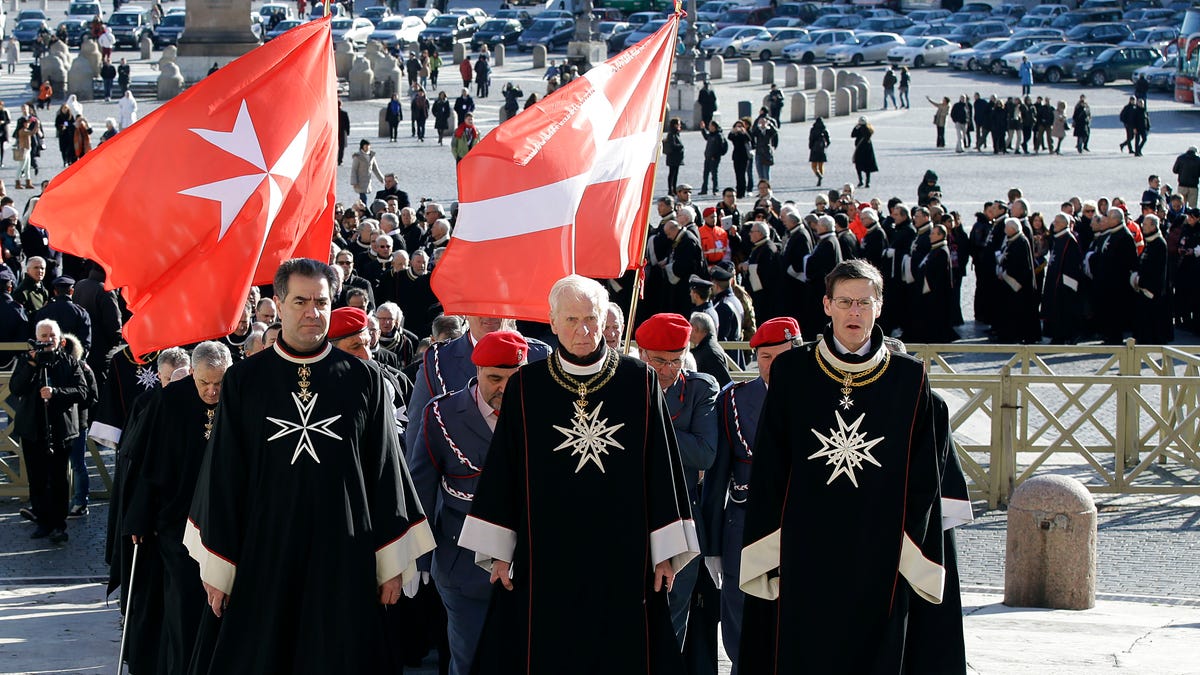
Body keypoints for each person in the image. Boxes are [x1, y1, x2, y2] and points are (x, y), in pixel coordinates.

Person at [185, 258, 435, 674]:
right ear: (278, 304)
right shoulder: (244, 381)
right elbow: (224, 474)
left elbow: (386, 470)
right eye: (300, 301)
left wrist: (391, 563)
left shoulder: (365, 379)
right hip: (265, 552)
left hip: (345, 553)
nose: (311, 312)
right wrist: (219, 564)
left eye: (321, 301)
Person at [458, 275, 698, 675]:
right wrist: (499, 550)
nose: (583, 330)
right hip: (546, 552)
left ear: (604, 319)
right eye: (571, 320)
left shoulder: (639, 381)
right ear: (552, 322)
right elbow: (505, 470)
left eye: (591, 318)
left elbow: (662, 468)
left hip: (625, 551)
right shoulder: (527, 387)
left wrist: (667, 553)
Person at [738, 259, 949, 674]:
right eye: (845, 301)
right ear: (826, 305)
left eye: (864, 303)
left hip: (881, 553)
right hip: (804, 552)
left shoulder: (909, 379)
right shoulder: (792, 372)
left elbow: (925, 478)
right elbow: (769, 467)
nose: (855, 312)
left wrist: (909, 550)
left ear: (880, 307)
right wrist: (769, 548)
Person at [407, 330, 528, 675]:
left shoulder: (540, 415)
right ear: (476, 372)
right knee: (470, 659)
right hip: (463, 562)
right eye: (494, 378)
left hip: (528, 563)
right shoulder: (442, 414)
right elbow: (422, 487)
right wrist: (418, 558)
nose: (503, 387)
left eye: (512, 378)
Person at [123, 341, 231, 675]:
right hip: (177, 523)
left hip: (226, 523)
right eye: (204, 383)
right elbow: (147, 463)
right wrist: (139, 517)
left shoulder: (241, 395)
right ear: (193, 374)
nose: (212, 391)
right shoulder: (169, 401)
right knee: (183, 603)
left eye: (219, 383)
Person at [700, 316, 799, 675]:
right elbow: (717, 477)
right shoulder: (735, 400)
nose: (772, 366)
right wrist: (711, 545)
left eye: (781, 356)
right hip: (743, 525)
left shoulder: (819, 398)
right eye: (765, 357)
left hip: (802, 525)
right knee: (740, 616)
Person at [11, 319, 89, 544]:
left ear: (60, 339)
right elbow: (16, 387)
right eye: (43, 336)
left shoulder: (69, 362)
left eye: (51, 336)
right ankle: (42, 521)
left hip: (60, 430)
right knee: (37, 478)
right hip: (32, 429)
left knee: (58, 479)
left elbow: (82, 392)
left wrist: (56, 392)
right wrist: (32, 366)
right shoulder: (28, 361)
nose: (47, 341)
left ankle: (58, 524)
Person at [351, 138, 384, 204]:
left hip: (367, 180)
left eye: (368, 146)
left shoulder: (371, 156)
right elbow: (354, 170)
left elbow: (375, 169)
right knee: (363, 197)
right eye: (366, 146)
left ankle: (362, 208)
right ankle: (364, 209)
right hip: (360, 180)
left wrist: (382, 179)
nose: (367, 148)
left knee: (364, 196)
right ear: (362, 147)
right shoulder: (358, 156)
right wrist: (354, 182)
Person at [727, 119, 753, 199]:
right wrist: (733, 131)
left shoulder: (744, 134)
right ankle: (738, 191)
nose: (738, 128)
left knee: (742, 174)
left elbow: (749, 139)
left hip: (744, 156)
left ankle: (742, 192)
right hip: (736, 156)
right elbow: (729, 137)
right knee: (737, 174)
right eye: (737, 126)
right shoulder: (735, 135)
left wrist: (744, 131)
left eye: (740, 126)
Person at [699, 120, 726, 196]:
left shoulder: (718, 136)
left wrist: (716, 156)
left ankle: (715, 189)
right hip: (707, 157)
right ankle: (704, 189)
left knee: (714, 174)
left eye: (710, 126)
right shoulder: (711, 134)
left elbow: (721, 148)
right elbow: (706, 136)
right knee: (705, 174)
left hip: (714, 158)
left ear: (714, 127)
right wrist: (703, 129)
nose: (709, 127)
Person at [851, 116, 877, 189]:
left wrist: (856, 127)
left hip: (859, 149)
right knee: (867, 167)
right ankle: (867, 182)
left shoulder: (859, 129)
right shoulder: (869, 129)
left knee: (858, 165)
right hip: (868, 150)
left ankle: (860, 181)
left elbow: (852, 135)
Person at [750, 114, 777, 182]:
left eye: (764, 121)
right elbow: (752, 133)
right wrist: (757, 125)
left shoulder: (768, 130)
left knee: (766, 173)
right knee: (760, 173)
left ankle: (767, 186)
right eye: (761, 121)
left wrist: (770, 124)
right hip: (759, 152)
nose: (762, 123)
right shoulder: (758, 131)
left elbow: (775, 132)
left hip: (766, 153)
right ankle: (761, 188)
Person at [663, 116, 684, 195]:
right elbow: (673, 145)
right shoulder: (672, 134)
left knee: (675, 174)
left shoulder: (676, 133)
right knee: (672, 174)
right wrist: (681, 146)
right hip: (673, 157)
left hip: (676, 158)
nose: (680, 125)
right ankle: (670, 189)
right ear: (675, 125)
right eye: (678, 124)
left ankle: (674, 189)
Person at [808, 117, 829, 186]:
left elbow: (811, 139)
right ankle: (820, 179)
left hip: (814, 149)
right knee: (821, 165)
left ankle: (818, 175)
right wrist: (825, 146)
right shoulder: (824, 130)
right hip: (822, 150)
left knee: (813, 166)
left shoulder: (813, 130)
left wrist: (810, 146)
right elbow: (828, 140)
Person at [337, 99, 350, 165]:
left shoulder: (333, 113)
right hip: (342, 132)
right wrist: (347, 132)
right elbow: (347, 124)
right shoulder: (344, 113)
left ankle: (335, 159)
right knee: (341, 148)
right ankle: (340, 160)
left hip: (335, 132)